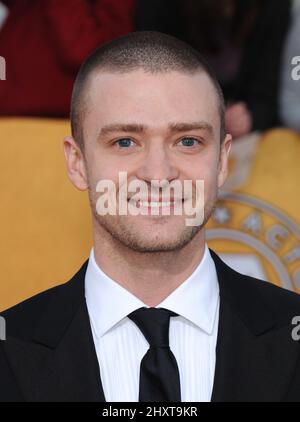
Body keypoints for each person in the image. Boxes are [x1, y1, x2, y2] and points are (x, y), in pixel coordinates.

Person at [1, 31, 300, 402]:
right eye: (125, 142)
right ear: (77, 163)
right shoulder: (8, 350)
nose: (158, 175)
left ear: (222, 161)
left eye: (187, 141)